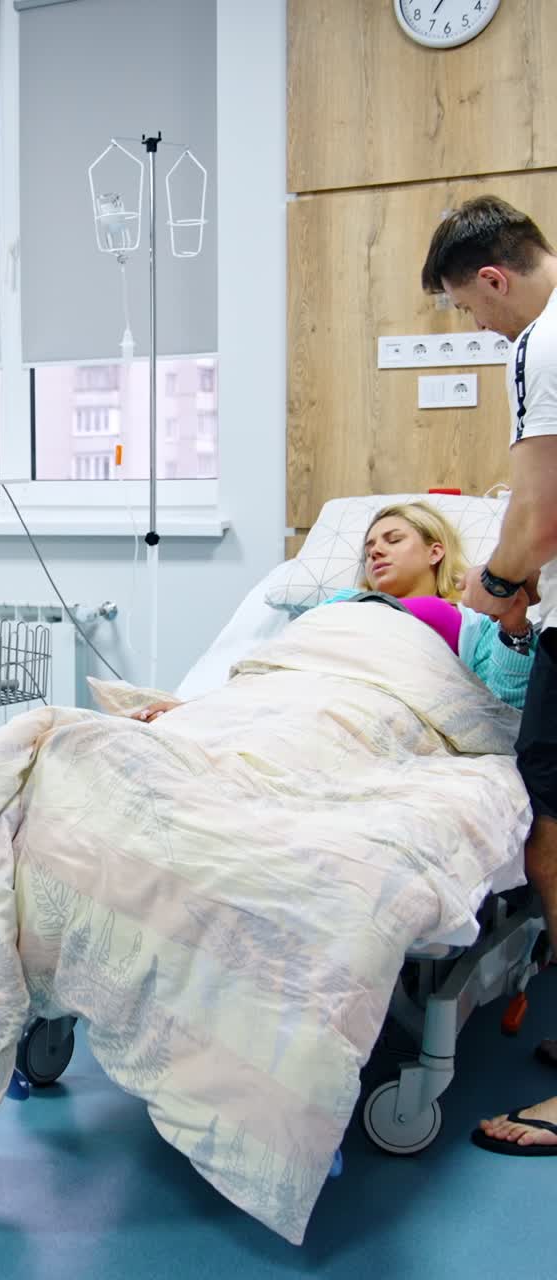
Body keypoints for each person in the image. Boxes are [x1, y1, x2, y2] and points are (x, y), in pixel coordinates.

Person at [423, 194, 557, 1155]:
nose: (477, 327)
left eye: (470, 311)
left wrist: (497, 585)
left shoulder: (540, 346)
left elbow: (538, 511)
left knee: (552, 830)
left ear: (496, 280)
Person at [134, 500, 535, 724]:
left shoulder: (473, 622)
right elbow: (281, 667)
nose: (375, 550)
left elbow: (505, 708)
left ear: (435, 551)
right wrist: (202, 708)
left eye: (393, 540)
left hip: (381, 716)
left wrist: (514, 625)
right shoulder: (337, 607)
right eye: (369, 547)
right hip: (304, 704)